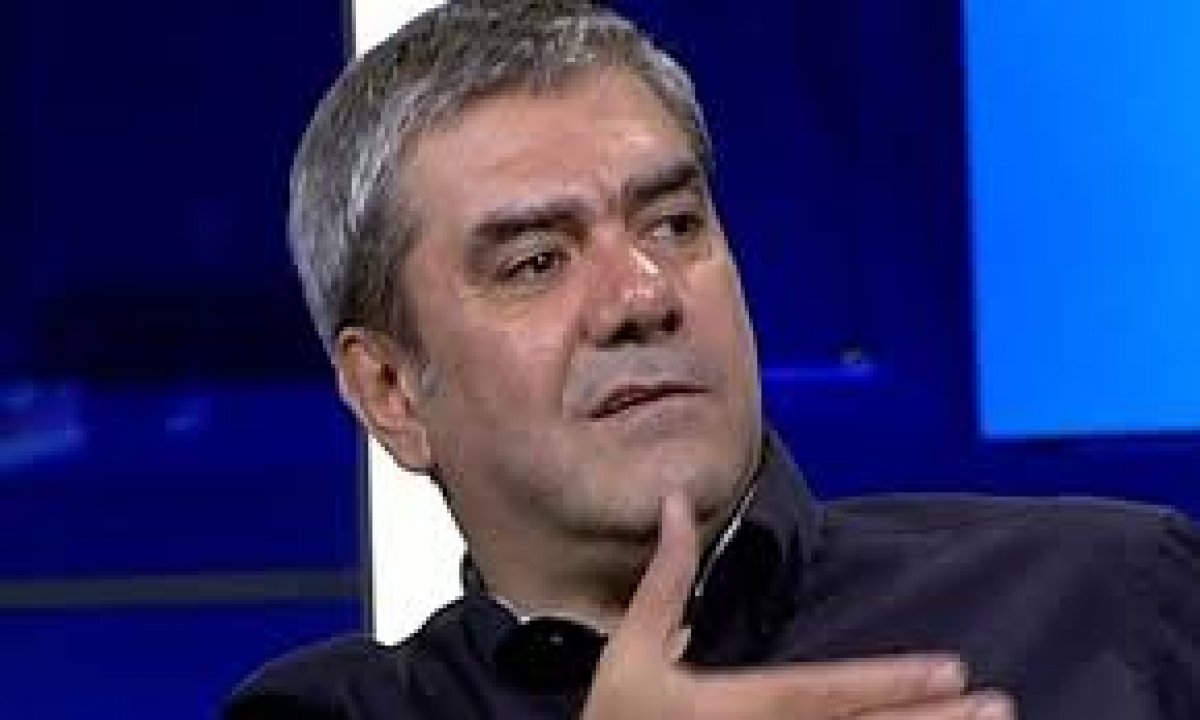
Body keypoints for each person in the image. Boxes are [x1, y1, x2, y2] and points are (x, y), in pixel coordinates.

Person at [224, 2, 1200, 718]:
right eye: (536, 262)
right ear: (390, 390)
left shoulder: (1111, 598)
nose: (642, 296)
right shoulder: (329, 714)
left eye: (675, 223)